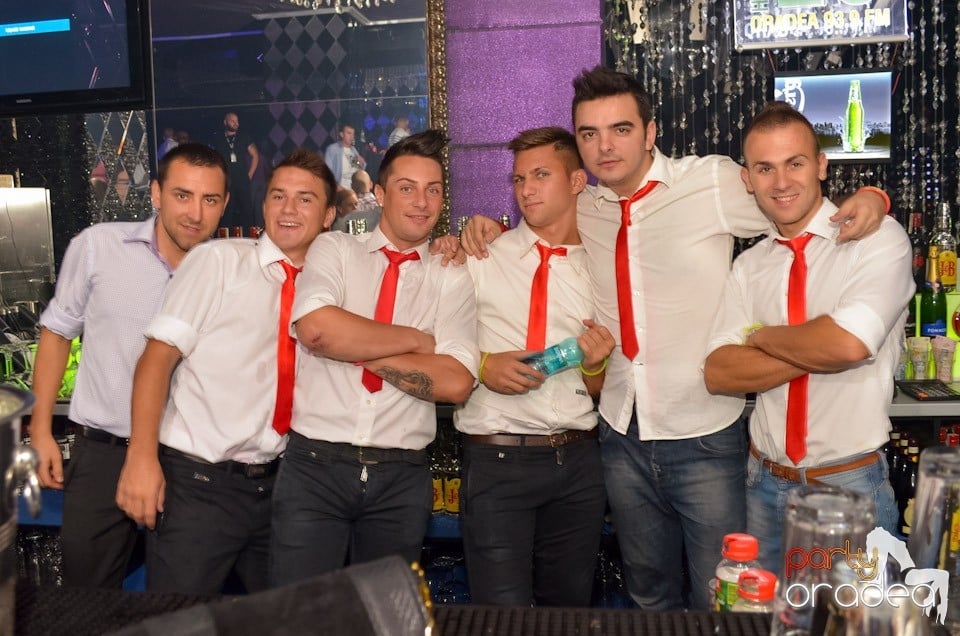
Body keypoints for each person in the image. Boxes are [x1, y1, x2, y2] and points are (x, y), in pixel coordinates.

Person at [460, 66, 890, 610]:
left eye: (620, 129)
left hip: (704, 434)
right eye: (589, 133)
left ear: (650, 132)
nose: (604, 146)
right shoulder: (588, 206)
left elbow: (792, 199)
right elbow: (536, 221)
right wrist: (479, 227)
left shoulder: (709, 183)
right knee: (647, 596)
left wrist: (873, 197)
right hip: (620, 435)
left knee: (723, 596)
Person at [114, 149, 336, 595]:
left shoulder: (330, 285)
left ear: (329, 215)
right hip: (199, 487)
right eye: (278, 196)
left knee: (285, 619)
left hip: (281, 489)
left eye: (305, 199)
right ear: (264, 205)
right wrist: (141, 458)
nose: (288, 209)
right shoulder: (218, 262)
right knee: (178, 621)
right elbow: (156, 360)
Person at [703, 102, 912, 572]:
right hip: (763, 486)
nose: (781, 182)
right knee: (764, 613)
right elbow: (719, 373)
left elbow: (848, 345)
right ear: (748, 179)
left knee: (854, 613)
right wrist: (819, 344)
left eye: (794, 163)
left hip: (848, 487)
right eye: (765, 168)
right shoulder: (749, 266)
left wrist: (761, 337)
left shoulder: (878, 240)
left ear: (821, 165)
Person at [270, 129, 478, 587]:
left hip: (401, 478)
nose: (421, 202)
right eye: (407, 188)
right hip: (315, 467)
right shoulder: (336, 249)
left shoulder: (450, 275)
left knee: (383, 613)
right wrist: (417, 341)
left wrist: (353, 348)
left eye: (433, 190)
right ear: (380, 194)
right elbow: (317, 330)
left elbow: (456, 382)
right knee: (298, 611)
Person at [29, 143, 228, 588]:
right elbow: (57, 333)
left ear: (224, 204)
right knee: (86, 600)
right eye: (182, 195)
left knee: (179, 603)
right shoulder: (98, 246)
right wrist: (41, 431)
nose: (195, 213)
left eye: (210, 199)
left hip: (190, 463)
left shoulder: (231, 269)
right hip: (104, 454)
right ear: (156, 193)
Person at [455, 126, 615, 606]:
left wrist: (594, 368)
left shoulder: (603, 271)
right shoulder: (480, 256)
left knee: (568, 613)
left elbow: (605, 390)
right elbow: (435, 343)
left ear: (576, 182)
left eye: (541, 175)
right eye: (519, 178)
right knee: (500, 616)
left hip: (578, 462)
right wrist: (482, 365)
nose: (526, 189)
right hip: (496, 460)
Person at [211, 112, 260, 230]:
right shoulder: (218, 138)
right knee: (227, 209)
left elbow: (255, 155)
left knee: (246, 209)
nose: (236, 123)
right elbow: (212, 158)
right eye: (232, 121)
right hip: (226, 179)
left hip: (242, 178)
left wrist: (249, 175)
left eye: (237, 121)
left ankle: (249, 235)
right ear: (225, 122)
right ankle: (225, 236)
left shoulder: (244, 136)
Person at [324, 124, 366, 191]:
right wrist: (335, 186)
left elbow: (357, 168)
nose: (352, 137)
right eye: (349, 133)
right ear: (342, 134)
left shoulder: (353, 150)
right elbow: (327, 172)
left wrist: (361, 163)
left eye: (353, 134)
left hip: (355, 188)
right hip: (341, 189)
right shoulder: (333, 149)